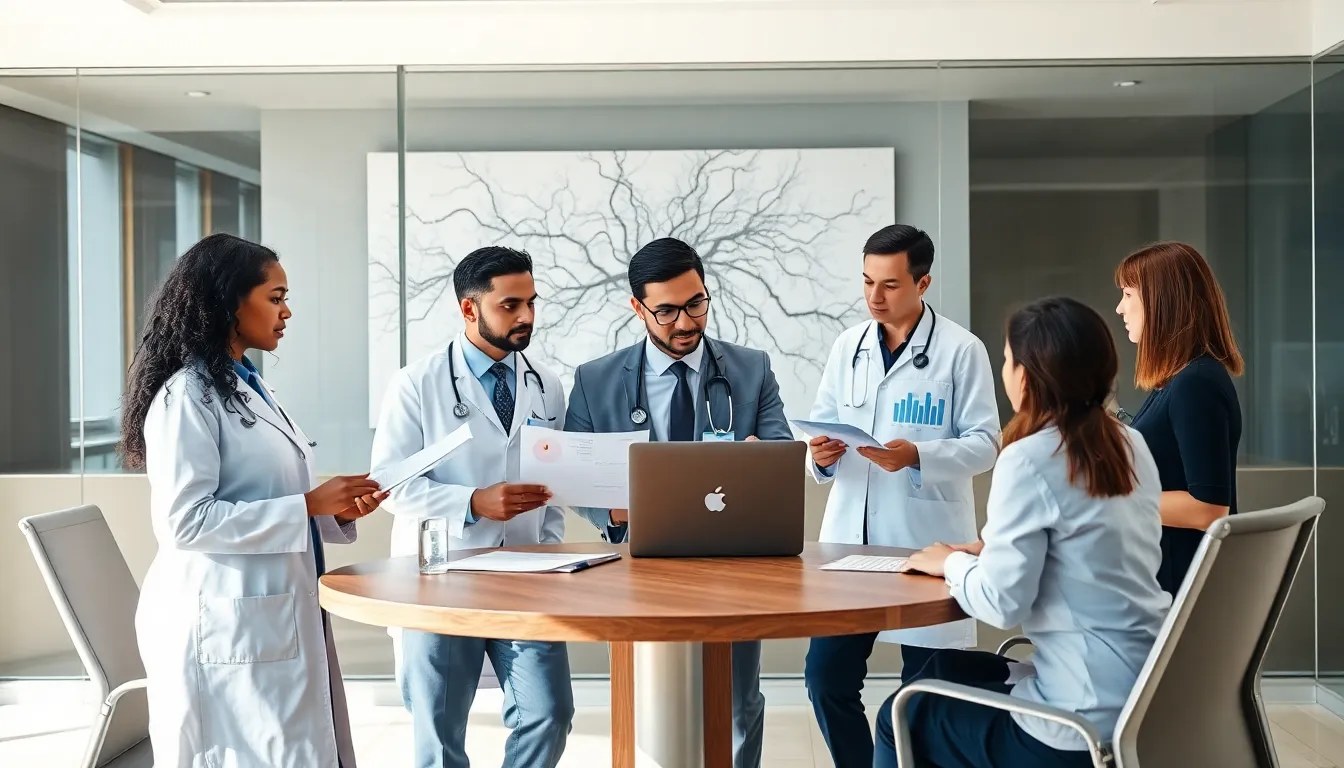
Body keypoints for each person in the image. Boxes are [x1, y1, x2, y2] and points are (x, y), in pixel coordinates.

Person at [871, 296, 1169, 768]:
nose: (1003, 370)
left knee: (900, 714)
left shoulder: (1030, 459)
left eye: (1006, 360)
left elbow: (1003, 603)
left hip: (1075, 727)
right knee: (944, 668)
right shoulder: (1128, 443)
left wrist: (951, 562)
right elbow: (1083, 538)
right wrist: (984, 550)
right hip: (1144, 697)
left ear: (1025, 377)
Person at [124, 233, 385, 768]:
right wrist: (308, 507)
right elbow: (185, 522)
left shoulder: (246, 386)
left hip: (267, 606)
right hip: (226, 616)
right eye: (275, 297)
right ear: (228, 301)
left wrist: (333, 512)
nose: (287, 312)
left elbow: (269, 493)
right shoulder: (186, 396)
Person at [563, 237, 790, 768]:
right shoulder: (596, 380)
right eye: (666, 310)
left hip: (732, 559)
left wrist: (761, 461)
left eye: (696, 303)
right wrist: (614, 512)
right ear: (637, 307)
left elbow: (782, 454)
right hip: (638, 559)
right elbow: (574, 476)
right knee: (646, 696)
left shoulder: (750, 368)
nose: (685, 322)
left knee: (737, 701)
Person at [802, 224, 1000, 767]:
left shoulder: (962, 350)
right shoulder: (848, 346)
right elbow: (820, 428)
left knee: (926, 695)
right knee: (825, 681)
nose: (874, 297)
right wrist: (818, 455)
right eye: (867, 282)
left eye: (889, 285)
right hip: (847, 543)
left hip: (926, 543)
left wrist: (918, 456)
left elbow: (986, 444)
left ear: (923, 282)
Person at [370, 246, 573, 768]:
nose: (526, 316)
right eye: (510, 305)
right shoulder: (417, 384)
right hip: (441, 576)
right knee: (438, 731)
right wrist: (473, 503)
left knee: (548, 713)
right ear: (469, 309)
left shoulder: (546, 384)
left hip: (526, 580)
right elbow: (390, 486)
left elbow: (554, 487)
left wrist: (547, 555)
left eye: (531, 302)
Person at [1115, 241, 1243, 595]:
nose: (1120, 308)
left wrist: (1108, 499)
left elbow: (1209, 509)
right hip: (1164, 579)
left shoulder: (1195, 384)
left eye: (1128, 294)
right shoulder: (1182, 381)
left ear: (1162, 301)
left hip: (1176, 589)